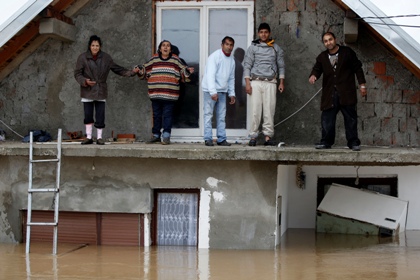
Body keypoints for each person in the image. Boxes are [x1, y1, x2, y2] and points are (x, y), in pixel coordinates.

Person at [74, 35, 139, 145]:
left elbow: (117, 69)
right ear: (89, 46)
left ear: (100, 46)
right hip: (87, 89)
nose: (95, 48)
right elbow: (77, 73)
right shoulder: (82, 57)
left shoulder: (106, 58)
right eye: (93, 45)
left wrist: (131, 72)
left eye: (97, 45)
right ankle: (89, 137)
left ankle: (99, 137)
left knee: (100, 114)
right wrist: (85, 81)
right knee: (88, 115)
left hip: (101, 89)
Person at [309, 31, 367, 151]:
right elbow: (317, 69)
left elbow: (358, 68)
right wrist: (313, 75)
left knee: (350, 119)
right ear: (324, 43)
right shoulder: (322, 57)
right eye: (325, 41)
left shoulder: (347, 53)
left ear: (335, 39)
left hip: (346, 92)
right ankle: (326, 142)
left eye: (330, 39)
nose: (328, 43)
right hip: (330, 94)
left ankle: (353, 143)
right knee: (327, 119)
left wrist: (362, 85)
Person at [137, 40, 194, 145]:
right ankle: (156, 136)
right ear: (160, 48)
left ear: (171, 49)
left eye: (168, 46)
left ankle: (166, 136)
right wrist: (139, 70)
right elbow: (145, 69)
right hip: (155, 94)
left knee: (167, 115)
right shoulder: (154, 59)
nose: (166, 47)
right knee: (156, 115)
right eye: (163, 45)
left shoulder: (175, 60)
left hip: (170, 94)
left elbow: (183, 71)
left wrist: (187, 71)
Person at [243, 23, 285, 146]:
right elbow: (247, 65)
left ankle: (268, 137)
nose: (263, 34)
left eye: (266, 32)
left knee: (269, 110)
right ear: (258, 33)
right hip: (255, 81)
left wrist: (281, 82)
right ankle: (253, 137)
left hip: (271, 82)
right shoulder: (252, 48)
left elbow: (281, 66)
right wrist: (247, 83)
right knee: (255, 110)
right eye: (261, 32)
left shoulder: (276, 48)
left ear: (269, 33)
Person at [202, 36, 236, 146]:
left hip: (222, 91)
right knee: (208, 115)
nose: (229, 47)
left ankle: (221, 139)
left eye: (231, 45)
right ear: (222, 45)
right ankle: (208, 138)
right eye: (227, 44)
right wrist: (212, 92)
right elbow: (210, 75)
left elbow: (231, 78)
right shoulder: (215, 56)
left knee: (221, 116)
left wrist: (232, 93)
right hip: (209, 90)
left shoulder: (232, 60)